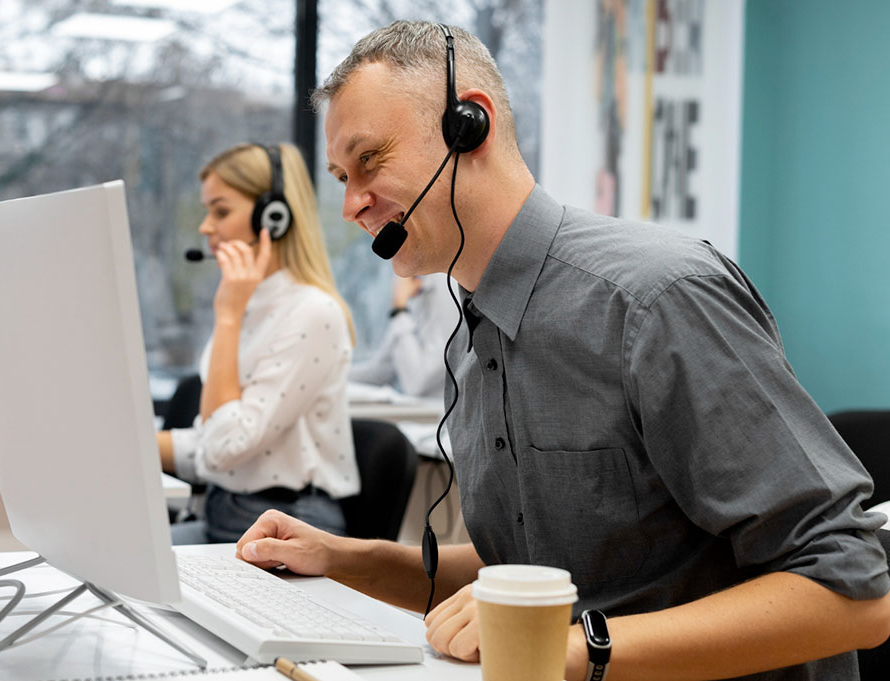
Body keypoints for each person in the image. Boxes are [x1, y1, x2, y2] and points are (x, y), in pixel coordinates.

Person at [233, 21, 890, 681]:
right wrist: (343, 559)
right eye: (341, 177)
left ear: (470, 126)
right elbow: (544, 566)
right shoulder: (471, 342)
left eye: (370, 160)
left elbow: (852, 588)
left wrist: (575, 648)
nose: (350, 205)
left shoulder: (655, 299)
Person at [157, 142, 360, 544]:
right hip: (225, 511)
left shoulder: (311, 313)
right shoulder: (247, 303)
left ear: (274, 217)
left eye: (221, 211)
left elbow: (224, 447)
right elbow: (212, 442)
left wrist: (228, 316)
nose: (205, 227)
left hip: (287, 524)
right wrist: (114, 442)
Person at [349, 272, 456, 399]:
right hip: (420, 407)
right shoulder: (411, 284)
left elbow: (417, 384)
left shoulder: (447, 285)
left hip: (437, 407)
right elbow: (381, 370)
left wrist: (399, 310)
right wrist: (333, 372)